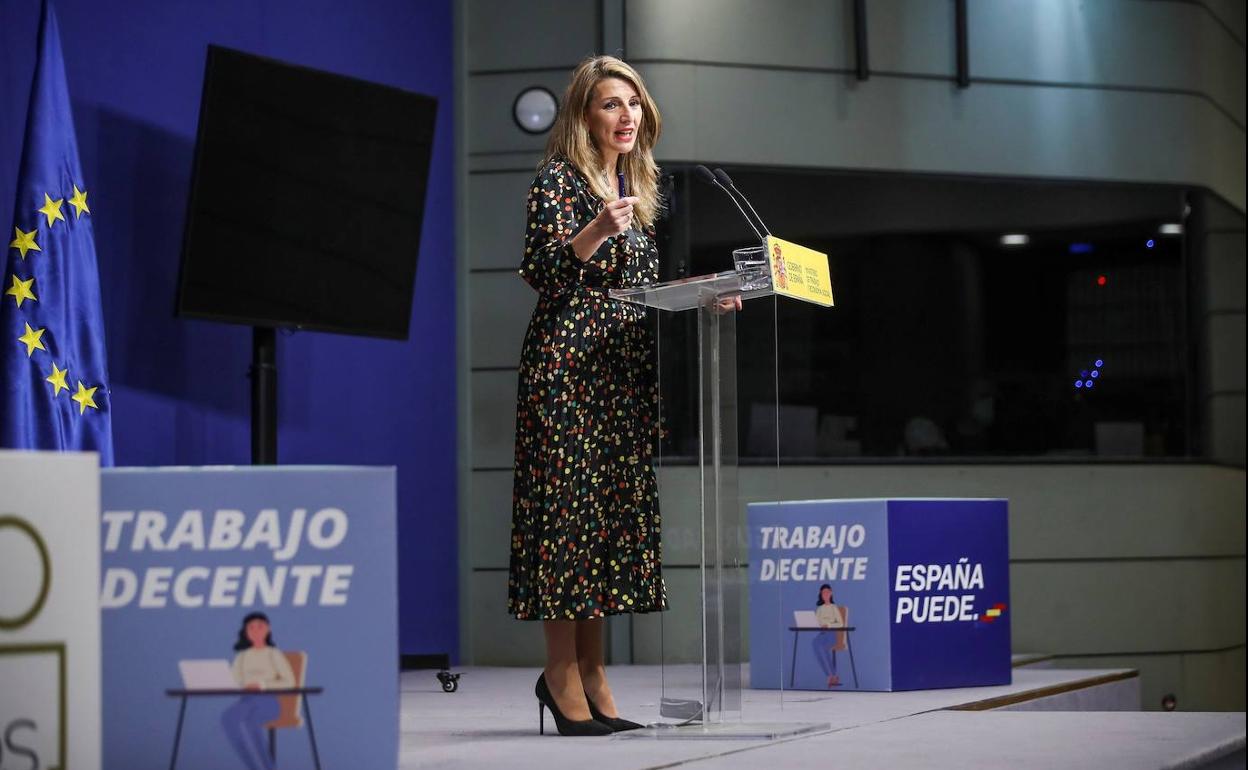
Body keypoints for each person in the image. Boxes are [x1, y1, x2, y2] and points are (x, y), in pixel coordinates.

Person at [507, 54, 742, 737]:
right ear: (584, 115)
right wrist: (597, 229)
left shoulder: (634, 188)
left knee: (604, 526)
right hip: (567, 369)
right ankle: (561, 673)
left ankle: (593, 670)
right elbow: (542, 272)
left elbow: (637, 291)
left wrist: (703, 296)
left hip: (620, 376)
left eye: (634, 103)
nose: (627, 115)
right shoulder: (559, 181)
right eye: (612, 104)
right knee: (567, 523)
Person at [221, 612, 296, 770]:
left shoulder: (273, 654)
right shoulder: (242, 656)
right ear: (245, 631)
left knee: (251, 723)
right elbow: (234, 680)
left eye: (260, 627)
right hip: (246, 701)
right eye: (251, 628)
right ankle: (253, 766)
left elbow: (289, 681)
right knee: (228, 718)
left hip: (268, 702)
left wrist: (262, 684)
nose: (255, 631)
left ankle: (268, 767)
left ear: (268, 629)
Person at [811, 584, 846, 687]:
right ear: (820, 595)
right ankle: (831, 675)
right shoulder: (819, 609)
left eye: (827, 592)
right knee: (815, 644)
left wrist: (829, 625)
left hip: (831, 635)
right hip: (822, 634)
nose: (825, 594)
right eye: (823, 593)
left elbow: (840, 623)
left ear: (831, 593)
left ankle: (832, 675)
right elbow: (816, 621)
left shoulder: (833, 607)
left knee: (822, 647)